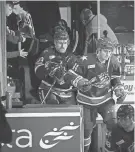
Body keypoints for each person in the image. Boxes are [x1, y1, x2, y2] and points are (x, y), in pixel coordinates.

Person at [63, 31, 126, 152]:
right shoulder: (84, 60)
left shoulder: (113, 61)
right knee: (86, 130)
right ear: (98, 50)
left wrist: (119, 90)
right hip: (86, 102)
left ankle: (111, 149)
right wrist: (79, 81)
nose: (108, 54)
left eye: (110, 51)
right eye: (105, 51)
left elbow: (115, 79)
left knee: (113, 125)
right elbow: (69, 74)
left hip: (105, 100)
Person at [35, 30, 77, 105]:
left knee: (72, 114)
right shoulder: (47, 53)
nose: (62, 46)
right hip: (50, 90)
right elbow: (37, 70)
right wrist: (48, 68)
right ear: (55, 42)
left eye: (64, 43)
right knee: (52, 110)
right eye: (60, 43)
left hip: (67, 93)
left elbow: (78, 74)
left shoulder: (72, 57)